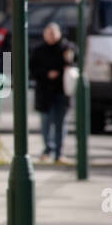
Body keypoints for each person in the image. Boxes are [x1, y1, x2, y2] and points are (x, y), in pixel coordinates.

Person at [30, 22, 75, 164]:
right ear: (44, 35)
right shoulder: (39, 50)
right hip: (44, 92)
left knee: (60, 123)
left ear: (59, 34)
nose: (51, 36)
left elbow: (74, 64)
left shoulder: (66, 48)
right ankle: (48, 150)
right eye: (48, 33)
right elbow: (32, 70)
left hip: (62, 91)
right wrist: (46, 74)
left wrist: (62, 68)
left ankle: (59, 152)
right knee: (46, 123)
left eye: (54, 33)